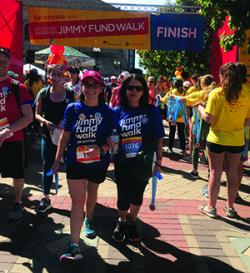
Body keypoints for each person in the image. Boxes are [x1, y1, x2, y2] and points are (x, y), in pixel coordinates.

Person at [51, 70, 115, 260]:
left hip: (98, 162)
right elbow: (65, 136)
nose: (91, 89)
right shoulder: (72, 108)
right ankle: (74, 245)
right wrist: (57, 160)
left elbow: (114, 139)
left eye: (95, 85)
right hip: (75, 162)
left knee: (92, 192)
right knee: (77, 201)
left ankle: (90, 219)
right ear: (82, 87)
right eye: (87, 85)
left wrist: (103, 148)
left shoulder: (108, 112)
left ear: (101, 88)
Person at [112, 74, 165, 243]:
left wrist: (159, 163)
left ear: (144, 91)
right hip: (122, 162)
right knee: (123, 194)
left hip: (143, 162)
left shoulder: (151, 111)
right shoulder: (117, 111)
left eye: (138, 88)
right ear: (124, 90)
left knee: (137, 195)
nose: (133, 91)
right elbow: (111, 136)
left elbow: (158, 138)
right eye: (130, 88)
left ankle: (132, 222)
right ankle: (121, 222)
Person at [197, 62, 250, 219]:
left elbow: (207, 118)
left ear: (223, 76)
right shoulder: (246, 95)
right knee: (232, 174)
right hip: (236, 140)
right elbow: (248, 121)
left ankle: (211, 207)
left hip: (216, 139)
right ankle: (230, 207)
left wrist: (200, 107)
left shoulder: (216, 93)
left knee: (215, 173)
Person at [35, 64, 74, 213]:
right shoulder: (43, 93)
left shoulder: (70, 93)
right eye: (53, 74)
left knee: (71, 167)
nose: (56, 77)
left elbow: (76, 111)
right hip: (48, 136)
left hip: (68, 138)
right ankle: (46, 198)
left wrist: (65, 121)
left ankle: (75, 198)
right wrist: (45, 122)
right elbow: (36, 114)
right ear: (49, 76)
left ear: (64, 77)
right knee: (47, 166)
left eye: (59, 74)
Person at [0, 47, 33, 220]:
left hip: (14, 139)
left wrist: (8, 130)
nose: (1, 64)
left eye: (4, 61)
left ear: (9, 63)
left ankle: (18, 202)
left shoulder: (17, 87)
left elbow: (29, 116)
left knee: (17, 174)